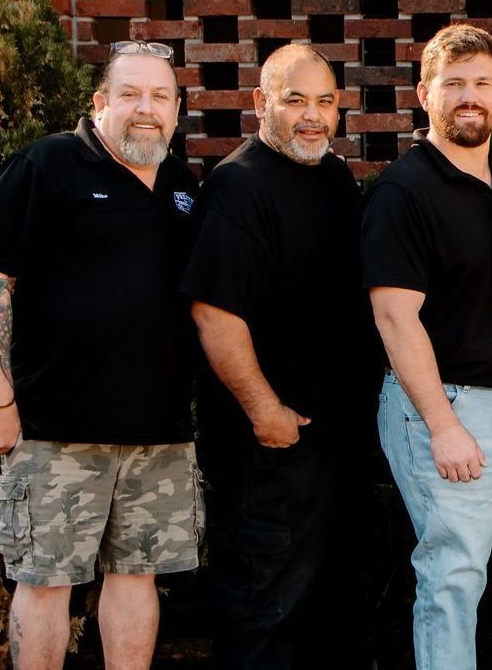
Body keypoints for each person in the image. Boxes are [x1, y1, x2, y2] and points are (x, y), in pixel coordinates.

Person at [0, 41, 201, 669]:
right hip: (55, 431)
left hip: (160, 434)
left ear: (177, 110)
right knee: (45, 581)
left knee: (138, 578)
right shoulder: (47, 166)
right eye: (129, 95)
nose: (145, 109)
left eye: (159, 96)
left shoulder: (183, 186)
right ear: (100, 103)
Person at [362, 24, 492, 669]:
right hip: (450, 407)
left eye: (481, 84)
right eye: (453, 85)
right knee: (454, 576)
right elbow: (395, 318)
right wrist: (443, 426)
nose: (468, 98)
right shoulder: (402, 191)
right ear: (425, 94)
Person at [182, 44, 374, 669]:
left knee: (331, 610)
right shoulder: (238, 186)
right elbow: (215, 314)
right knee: (265, 612)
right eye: (295, 100)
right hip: (269, 450)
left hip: (336, 445)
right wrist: (267, 414)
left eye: (324, 101)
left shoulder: (334, 179)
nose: (311, 115)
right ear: (261, 104)